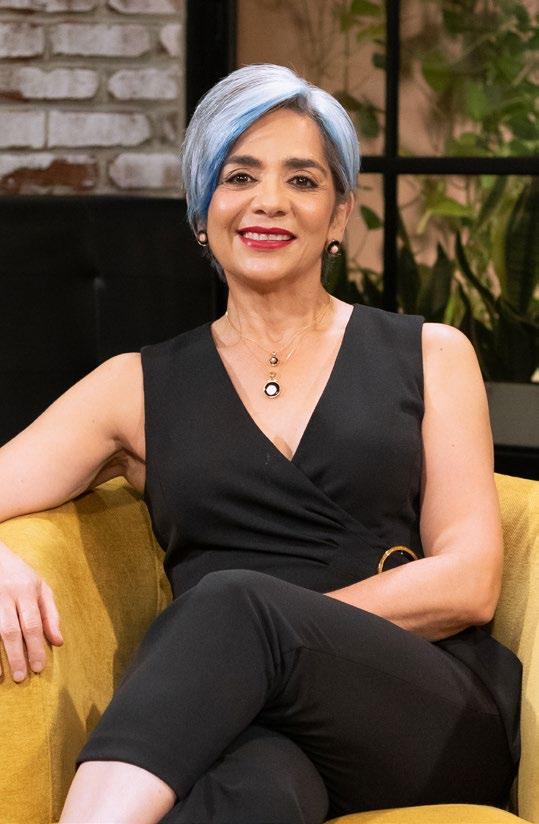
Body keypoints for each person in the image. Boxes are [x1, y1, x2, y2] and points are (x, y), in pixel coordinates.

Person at [0, 63, 521, 824]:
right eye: (239, 175)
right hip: (252, 722)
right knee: (252, 796)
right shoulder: (133, 387)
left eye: (302, 180)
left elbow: (469, 580)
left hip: (420, 709)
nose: (268, 201)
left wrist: (265, 638)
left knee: (230, 603)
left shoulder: (431, 354)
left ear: (340, 213)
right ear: (202, 208)